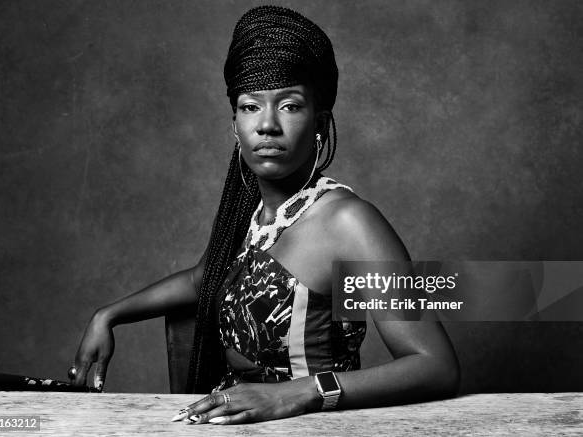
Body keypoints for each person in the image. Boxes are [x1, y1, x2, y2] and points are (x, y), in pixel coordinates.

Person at [72, 5, 459, 425]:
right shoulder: (251, 215)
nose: (267, 125)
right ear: (234, 125)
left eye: (289, 106)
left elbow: (434, 366)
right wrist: (108, 315)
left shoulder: (349, 223)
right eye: (250, 107)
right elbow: (202, 280)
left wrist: (293, 395)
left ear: (319, 122)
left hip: (314, 427)